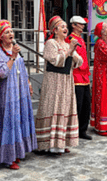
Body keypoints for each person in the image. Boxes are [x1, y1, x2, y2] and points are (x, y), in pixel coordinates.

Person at [0, 20, 37, 169]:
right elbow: (2, 73)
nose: (11, 34)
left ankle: (17, 152)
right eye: (7, 32)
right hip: (8, 92)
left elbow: (22, 68)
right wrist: (13, 56)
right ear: (0, 37)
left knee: (19, 119)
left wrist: (28, 83)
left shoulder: (15, 49)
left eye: (11, 31)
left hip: (20, 90)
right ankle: (7, 157)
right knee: (9, 121)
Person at [35, 16, 82, 154]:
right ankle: (48, 143)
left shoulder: (68, 44)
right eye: (62, 27)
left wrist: (71, 50)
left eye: (66, 27)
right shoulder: (51, 43)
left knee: (65, 107)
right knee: (52, 106)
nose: (65, 29)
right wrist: (69, 51)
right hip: (54, 81)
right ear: (55, 30)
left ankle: (62, 142)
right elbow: (55, 61)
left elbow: (79, 62)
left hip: (66, 80)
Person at [66, 16, 92, 140]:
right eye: (80, 24)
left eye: (83, 24)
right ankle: (75, 130)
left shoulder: (80, 39)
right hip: (76, 75)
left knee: (86, 104)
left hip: (85, 76)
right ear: (74, 25)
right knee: (78, 105)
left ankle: (83, 129)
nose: (83, 26)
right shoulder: (70, 39)